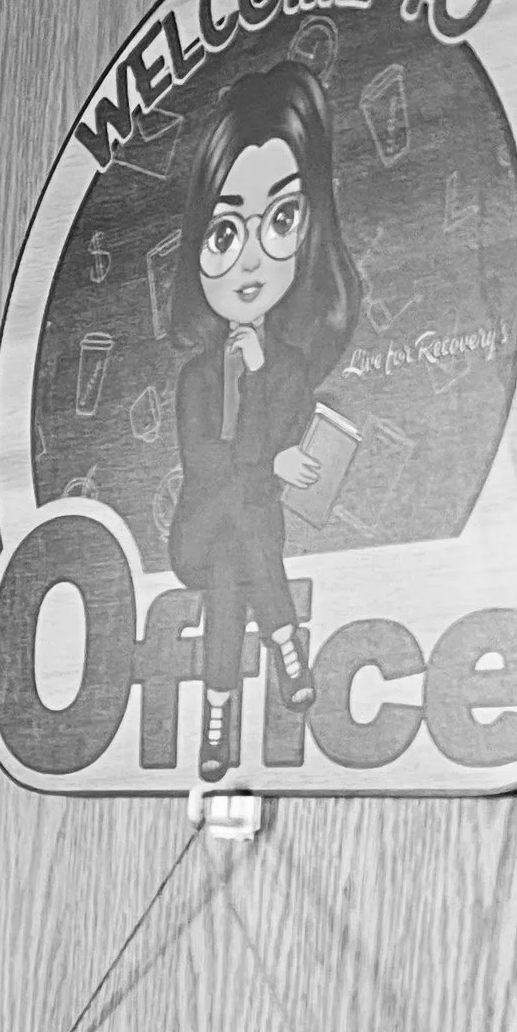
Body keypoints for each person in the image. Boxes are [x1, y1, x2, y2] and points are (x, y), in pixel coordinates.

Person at [168, 60, 359, 779]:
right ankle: (286, 643)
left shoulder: (285, 369)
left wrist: (260, 378)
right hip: (200, 520)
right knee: (235, 531)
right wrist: (269, 464)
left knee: (232, 569)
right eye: (223, 233)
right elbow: (202, 462)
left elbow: (284, 428)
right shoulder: (193, 378)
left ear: (310, 226)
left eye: (279, 221)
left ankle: (216, 728)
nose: (249, 259)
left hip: (243, 531)